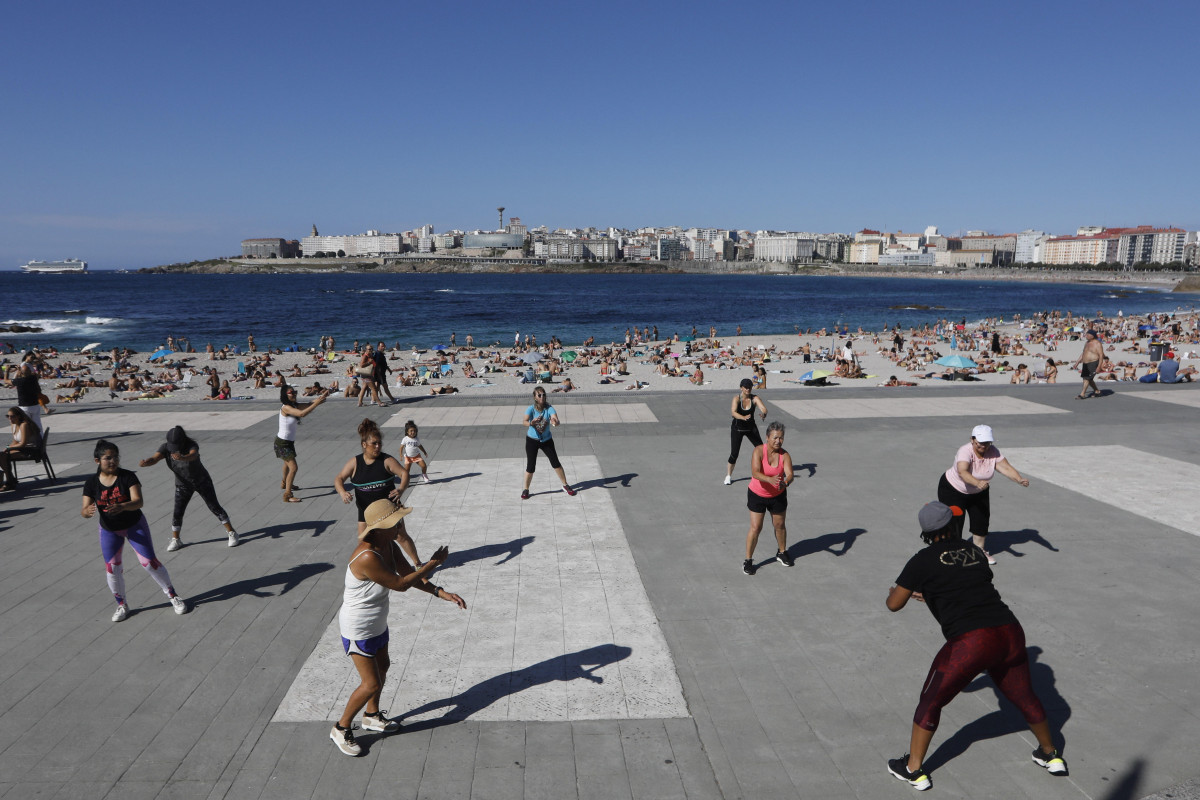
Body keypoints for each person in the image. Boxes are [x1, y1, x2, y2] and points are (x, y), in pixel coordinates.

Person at [885, 502, 1068, 791]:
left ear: (926, 532)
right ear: (951, 526)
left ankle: (913, 769)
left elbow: (894, 604)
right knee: (1025, 696)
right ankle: (1050, 754)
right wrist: (932, 594)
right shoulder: (975, 552)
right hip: (1009, 631)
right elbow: (970, 584)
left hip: (972, 640)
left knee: (931, 700)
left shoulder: (921, 560)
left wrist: (902, 592)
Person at [331, 499, 465, 756]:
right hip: (358, 627)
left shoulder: (388, 545)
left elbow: (408, 575)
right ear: (381, 527)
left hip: (377, 621)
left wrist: (440, 591)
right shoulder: (367, 555)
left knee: (383, 667)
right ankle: (341, 727)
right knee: (370, 683)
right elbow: (400, 584)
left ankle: (371, 716)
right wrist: (433, 563)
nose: (401, 526)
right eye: (397, 522)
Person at [81, 440, 190, 622]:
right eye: (108, 458)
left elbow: (138, 502)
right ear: (97, 461)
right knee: (112, 568)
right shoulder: (91, 483)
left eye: (116, 457)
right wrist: (87, 511)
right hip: (110, 530)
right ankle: (122, 605)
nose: (113, 461)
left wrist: (123, 506)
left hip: (134, 525)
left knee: (149, 562)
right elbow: (84, 510)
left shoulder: (128, 477)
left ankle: (173, 595)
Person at [936, 425, 1030, 566]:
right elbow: (962, 471)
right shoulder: (964, 451)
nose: (983, 446)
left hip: (979, 491)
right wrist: (977, 482)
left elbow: (1005, 467)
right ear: (972, 440)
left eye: (987, 443)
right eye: (980, 442)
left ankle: (979, 551)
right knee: (954, 522)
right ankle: (953, 552)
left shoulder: (993, 452)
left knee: (981, 521)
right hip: (953, 490)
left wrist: (1019, 479)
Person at [139, 426, 239, 549]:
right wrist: (147, 462)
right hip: (182, 484)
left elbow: (193, 455)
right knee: (178, 512)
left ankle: (232, 532)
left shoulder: (192, 445)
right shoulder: (166, 447)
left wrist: (183, 458)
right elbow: (155, 458)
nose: (173, 449)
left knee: (214, 506)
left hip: (202, 481)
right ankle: (176, 539)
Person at [333, 419, 423, 549]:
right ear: (364, 444)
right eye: (374, 443)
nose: (378, 447)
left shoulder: (386, 460)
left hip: (388, 509)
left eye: (379, 443)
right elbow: (339, 478)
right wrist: (342, 492)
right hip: (365, 512)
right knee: (363, 544)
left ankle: (418, 563)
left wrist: (401, 489)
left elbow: (404, 474)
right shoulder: (355, 462)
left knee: (401, 537)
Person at [742, 421, 794, 575]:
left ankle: (782, 552)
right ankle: (748, 560)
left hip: (777, 495)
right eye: (775, 438)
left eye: (781, 438)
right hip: (757, 495)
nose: (778, 441)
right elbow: (755, 472)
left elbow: (790, 474)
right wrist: (770, 479)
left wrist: (785, 483)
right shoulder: (758, 451)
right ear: (767, 437)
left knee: (780, 525)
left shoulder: (785, 455)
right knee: (756, 527)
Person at [277, 383, 329, 502]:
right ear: (285, 395)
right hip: (282, 443)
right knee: (293, 468)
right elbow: (302, 413)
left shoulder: (294, 405)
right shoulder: (286, 407)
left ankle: (285, 483)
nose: (294, 394)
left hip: (288, 442)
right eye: (291, 393)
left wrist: (321, 398)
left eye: (295, 392)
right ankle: (287, 495)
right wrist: (316, 403)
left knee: (286, 464)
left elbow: (309, 404)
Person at [521, 387, 576, 499]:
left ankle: (565, 485)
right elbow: (524, 422)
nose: (542, 397)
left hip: (546, 441)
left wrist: (555, 422)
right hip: (532, 440)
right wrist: (531, 423)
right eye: (539, 395)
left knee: (556, 463)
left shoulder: (549, 408)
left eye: (543, 395)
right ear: (535, 397)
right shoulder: (531, 409)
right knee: (530, 467)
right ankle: (526, 489)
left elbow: (556, 420)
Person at [724, 378, 767, 485]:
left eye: (750, 387)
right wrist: (743, 417)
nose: (748, 389)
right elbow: (733, 412)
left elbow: (763, 408)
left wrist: (764, 413)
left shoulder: (755, 398)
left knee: (762, 450)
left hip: (751, 428)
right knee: (734, 454)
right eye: (746, 387)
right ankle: (728, 476)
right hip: (737, 429)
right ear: (741, 388)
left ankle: (764, 472)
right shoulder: (736, 399)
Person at [0, 406, 42, 491]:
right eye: (8, 416)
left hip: (32, 450)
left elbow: (23, 443)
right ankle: (11, 479)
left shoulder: (24, 425)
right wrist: (8, 448)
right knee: (2, 455)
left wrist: (9, 448)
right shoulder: (14, 425)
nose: (10, 418)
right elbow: (15, 441)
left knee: (2, 456)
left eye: (12, 416)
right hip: (24, 449)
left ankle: (10, 481)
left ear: (19, 416)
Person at [10, 362, 43, 434]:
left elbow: (7, 380)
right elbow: (31, 374)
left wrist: (7, 371)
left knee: (25, 424)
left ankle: (27, 440)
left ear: (21, 372)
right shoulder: (33, 378)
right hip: (35, 405)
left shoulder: (20, 381)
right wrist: (20, 371)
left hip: (24, 406)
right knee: (37, 423)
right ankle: (41, 437)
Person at [1071, 329, 1105, 399]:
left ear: (1092, 336)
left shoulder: (1097, 343)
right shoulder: (1087, 343)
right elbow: (1083, 353)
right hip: (1085, 363)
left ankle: (1082, 394)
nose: (1086, 336)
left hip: (1093, 362)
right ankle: (1097, 391)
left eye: (1088, 335)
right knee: (1089, 379)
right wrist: (1077, 362)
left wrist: (1099, 366)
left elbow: (1101, 355)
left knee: (1086, 379)